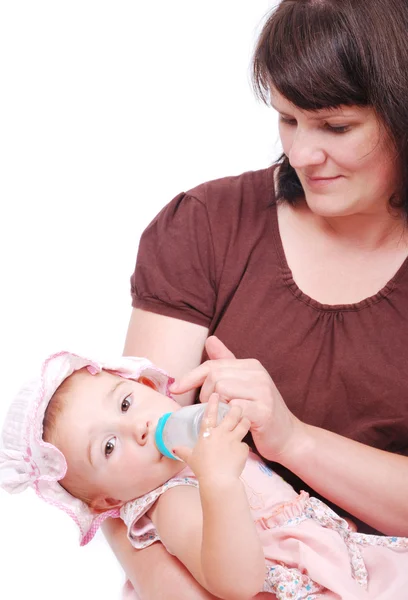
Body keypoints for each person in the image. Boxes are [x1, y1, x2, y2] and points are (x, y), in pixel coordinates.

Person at [100, 0, 408, 598]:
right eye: (287, 120)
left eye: (335, 127)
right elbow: (126, 487)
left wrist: (291, 439)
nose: (300, 154)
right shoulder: (206, 227)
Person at [1, 347, 407, 600]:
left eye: (125, 404)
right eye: (108, 447)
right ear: (108, 501)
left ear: (146, 384)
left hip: (349, 563)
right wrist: (219, 483)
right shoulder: (169, 501)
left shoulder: (200, 446)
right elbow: (237, 582)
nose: (137, 427)